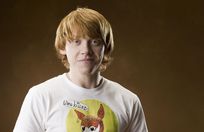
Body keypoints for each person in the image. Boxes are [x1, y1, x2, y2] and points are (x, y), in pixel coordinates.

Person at [13, 7, 148, 132]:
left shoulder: (128, 101)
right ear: (62, 47)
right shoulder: (40, 96)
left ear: (105, 47)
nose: (86, 50)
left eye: (95, 41)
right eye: (76, 41)